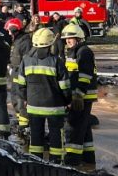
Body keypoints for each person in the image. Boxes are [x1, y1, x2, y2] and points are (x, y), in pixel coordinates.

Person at [16, 28, 70, 163]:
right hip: (54, 107)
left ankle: (36, 162)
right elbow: (65, 86)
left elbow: (20, 84)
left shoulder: (26, 60)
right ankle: (56, 162)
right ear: (50, 44)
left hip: (33, 106)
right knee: (56, 135)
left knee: (35, 136)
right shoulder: (56, 61)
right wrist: (68, 100)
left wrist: (26, 99)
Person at [61, 24, 97, 166]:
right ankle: (88, 158)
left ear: (79, 38)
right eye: (66, 39)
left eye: (70, 38)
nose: (67, 41)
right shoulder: (74, 51)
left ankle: (72, 160)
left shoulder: (84, 52)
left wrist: (78, 94)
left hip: (82, 96)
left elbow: (84, 76)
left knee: (73, 127)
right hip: (80, 95)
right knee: (84, 127)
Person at [7, 17, 33, 134]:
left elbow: (26, 60)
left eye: (9, 30)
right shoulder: (17, 40)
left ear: (14, 29)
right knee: (14, 97)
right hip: (15, 72)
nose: (8, 33)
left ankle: (24, 124)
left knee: (21, 98)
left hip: (21, 74)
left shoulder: (25, 41)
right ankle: (20, 120)